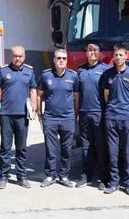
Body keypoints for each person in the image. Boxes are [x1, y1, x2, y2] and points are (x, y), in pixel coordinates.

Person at [0, 45, 38, 189]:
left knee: (21, 147)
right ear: (11, 56)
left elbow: (33, 90)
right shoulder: (3, 70)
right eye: (15, 56)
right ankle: (3, 176)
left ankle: (21, 176)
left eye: (20, 56)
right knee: (5, 147)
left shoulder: (29, 71)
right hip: (6, 114)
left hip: (22, 115)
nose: (17, 58)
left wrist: (35, 108)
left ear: (24, 56)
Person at [102, 44, 129, 196]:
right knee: (112, 153)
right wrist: (113, 109)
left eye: (121, 55)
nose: (118, 58)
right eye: (116, 55)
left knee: (128, 153)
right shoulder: (108, 74)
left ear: (126, 56)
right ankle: (113, 183)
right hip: (111, 117)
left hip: (128, 118)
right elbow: (106, 96)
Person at [37, 49, 79, 188]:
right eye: (59, 58)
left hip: (67, 118)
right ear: (54, 60)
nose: (61, 60)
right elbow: (39, 95)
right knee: (51, 149)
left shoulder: (73, 76)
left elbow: (76, 97)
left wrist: (75, 114)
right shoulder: (45, 75)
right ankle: (50, 175)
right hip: (50, 118)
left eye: (64, 58)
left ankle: (64, 176)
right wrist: (39, 113)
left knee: (66, 149)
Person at [76, 43, 111, 189]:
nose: (92, 53)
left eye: (95, 50)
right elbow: (77, 94)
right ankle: (86, 176)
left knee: (102, 147)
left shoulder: (106, 70)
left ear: (99, 53)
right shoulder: (80, 70)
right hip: (84, 113)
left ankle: (104, 178)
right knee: (86, 146)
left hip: (99, 113)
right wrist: (76, 112)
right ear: (86, 52)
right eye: (90, 50)